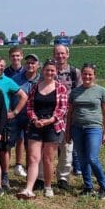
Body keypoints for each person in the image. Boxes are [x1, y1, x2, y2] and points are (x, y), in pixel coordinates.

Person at [17, 60, 69, 200]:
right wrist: (34, 120)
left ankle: (48, 186)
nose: (49, 73)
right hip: (36, 125)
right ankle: (29, 188)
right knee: (33, 158)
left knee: (48, 158)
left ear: (56, 72)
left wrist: (50, 120)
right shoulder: (35, 87)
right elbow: (29, 106)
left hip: (53, 126)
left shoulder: (61, 88)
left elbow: (63, 109)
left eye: (52, 70)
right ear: (42, 71)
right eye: (47, 70)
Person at [65, 64, 105, 199]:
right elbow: (69, 113)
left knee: (92, 157)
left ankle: (103, 186)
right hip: (77, 128)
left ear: (94, 75)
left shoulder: (101, 91)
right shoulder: (75, 92)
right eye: (85, 74)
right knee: (82, 159)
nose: (87, 76)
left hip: (94, 128)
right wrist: (67, 131)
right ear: (81, 75)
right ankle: (88, 187)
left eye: (90, 74)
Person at [52, 43, 82, 191]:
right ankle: (42, 177)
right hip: (50, 116)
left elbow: (80, 93)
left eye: (63, 53)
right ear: (53, 55)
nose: (60, 56)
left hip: (67, 116)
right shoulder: (48, 71)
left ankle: (63, 178)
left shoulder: (75, 73)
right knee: (48, 147)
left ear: (67, 55)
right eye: (57, 53)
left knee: (67, 148)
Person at [0, 57, 22, 188]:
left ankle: (4, 176)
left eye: (1, 66)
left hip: (3, 120)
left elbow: (23, 96)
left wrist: (14, 112)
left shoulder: (8, 81)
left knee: (4, 149)